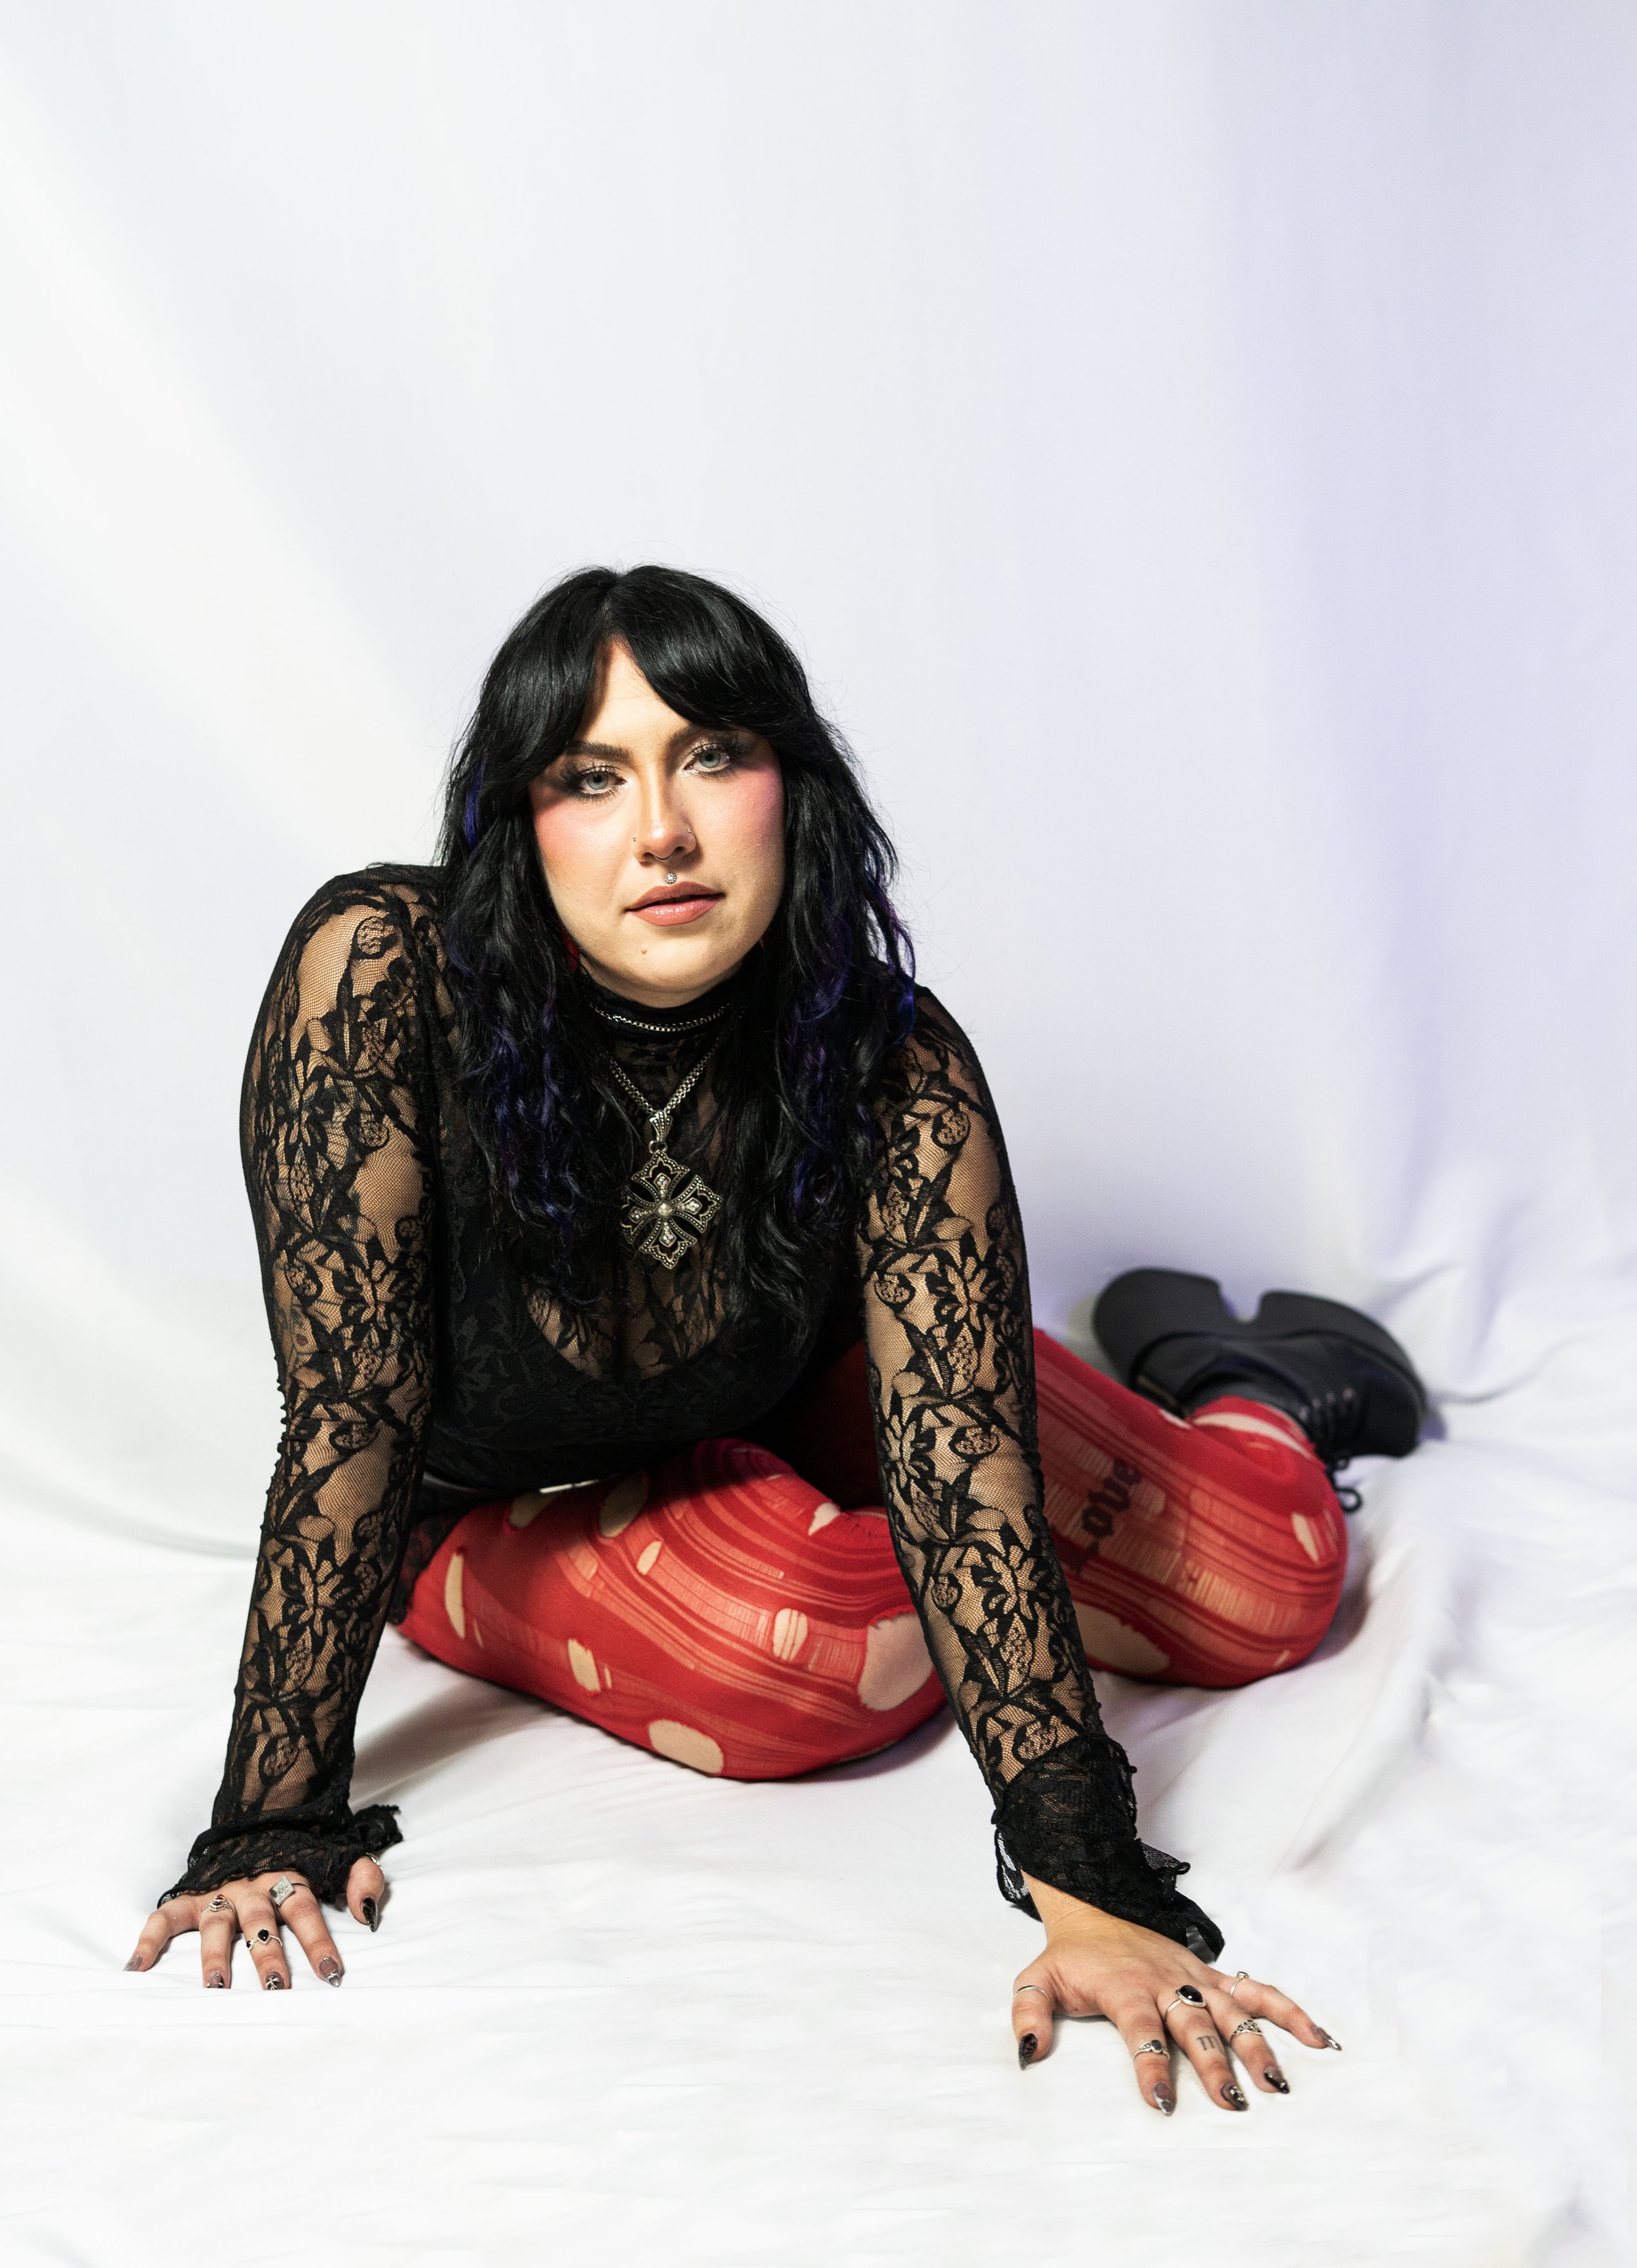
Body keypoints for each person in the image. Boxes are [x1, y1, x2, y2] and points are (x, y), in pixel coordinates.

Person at [126, 566, 1425, 2115]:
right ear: (515, 822)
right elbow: (350, 1413)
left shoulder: (886, 1052)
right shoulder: (387, 975)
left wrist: (1088, 1884)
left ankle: (1238, 1376)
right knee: (822, 1665)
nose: (658, 830)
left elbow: (965, 1473)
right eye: (588, 778)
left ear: (789, 790)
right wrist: (272, 1819)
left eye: (711, 758)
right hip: (491, 1499)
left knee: (1269, 1591)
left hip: (788, 1390)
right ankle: (737, 1541)